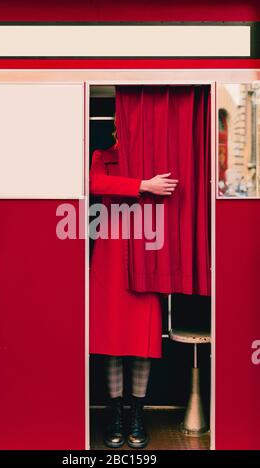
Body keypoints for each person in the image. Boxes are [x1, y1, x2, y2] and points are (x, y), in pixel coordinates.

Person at [89, 115, 178, 448]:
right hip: (111, 260)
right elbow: (93, 183)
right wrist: (143, 185)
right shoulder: (103, 157)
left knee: (142, 341)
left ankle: (136, 413)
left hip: (147, 257)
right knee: (112, 338)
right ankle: (116, 413)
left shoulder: (158, 159)